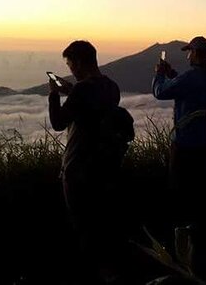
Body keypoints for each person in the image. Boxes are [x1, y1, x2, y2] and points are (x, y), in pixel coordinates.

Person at [48, 40, 130, 283]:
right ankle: (110, 272)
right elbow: (94, 106)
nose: (70, 69)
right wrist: (72, 90)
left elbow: (58, 123)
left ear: (81, 62)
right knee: (102, 225)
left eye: (71, 64)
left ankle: (93, 274)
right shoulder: (111, 87)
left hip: (79, 168)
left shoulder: (83, 91)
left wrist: (54, 94)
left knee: (83, 227)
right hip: (105, 167)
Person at [152, 36, 206, 224]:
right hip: (203, 143)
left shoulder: (191, 77)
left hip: (184, 144)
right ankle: (200, 229)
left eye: (189, 52)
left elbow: (160, 92)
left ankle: (180, 231)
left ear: (196, 53)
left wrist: (159, 74)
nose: (187, 56)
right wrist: (173, 74)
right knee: (199, 192)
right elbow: (188, 87)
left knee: (179, 190)